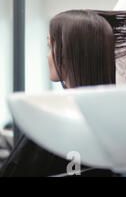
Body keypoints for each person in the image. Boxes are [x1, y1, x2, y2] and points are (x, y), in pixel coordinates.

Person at [0, 10, 117, 177]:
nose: (47, 56)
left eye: (50, 46)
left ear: (69, 52)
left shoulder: (52, 120)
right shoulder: (119, 118)